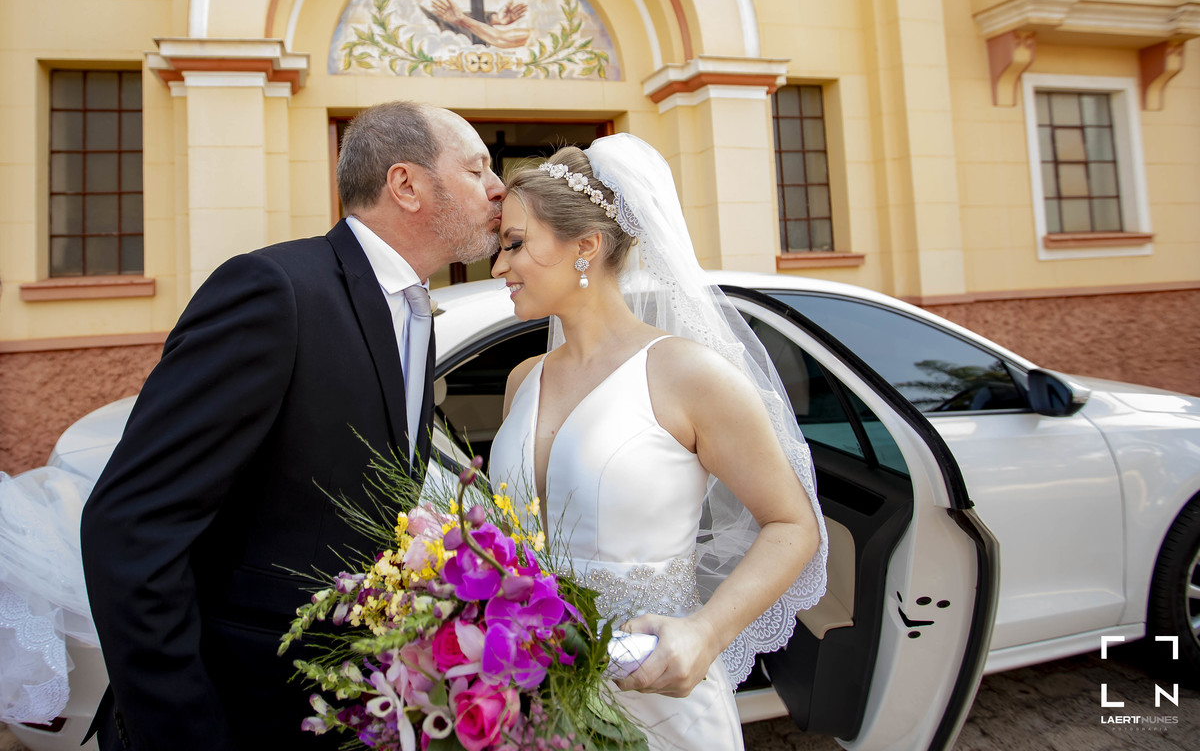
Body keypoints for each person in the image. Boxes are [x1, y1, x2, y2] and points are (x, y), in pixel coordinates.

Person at [76, 102, 505, 751]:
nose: (498, 188)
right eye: (477, 169)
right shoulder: (275, 291)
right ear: (406, 184)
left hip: (334, 709)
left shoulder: (414, 308)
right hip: (236, 708)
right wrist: (183, 732)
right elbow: (132, 526)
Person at [487, 134, 829, 750]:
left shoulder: (687, 375)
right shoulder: (522, 381)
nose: (499, 266)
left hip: (657, 694)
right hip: (536, 698)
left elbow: (793, 524)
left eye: (514, 244)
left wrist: (705, 633)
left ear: (586, 246)